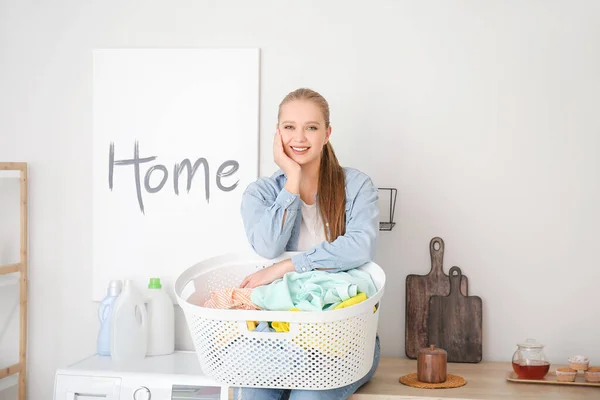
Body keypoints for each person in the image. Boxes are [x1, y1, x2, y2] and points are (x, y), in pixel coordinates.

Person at [234, 88, 380, 400]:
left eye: (311, 128)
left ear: (327, 133)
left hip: (343, 337)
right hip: (276, 336)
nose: (299, 138)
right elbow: (267, 246)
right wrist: (292, 178)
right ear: (278, 133)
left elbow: (360, 247)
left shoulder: (356, 186)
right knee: (255, 394)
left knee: (308, 396)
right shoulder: (259, 193)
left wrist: (288, 266)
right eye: (289, 127)